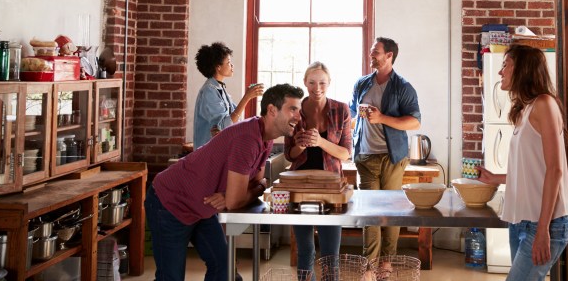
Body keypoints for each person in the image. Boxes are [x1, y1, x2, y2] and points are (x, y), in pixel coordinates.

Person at [145, 83, 304, 281]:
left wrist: (258, 186)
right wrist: (248, 190)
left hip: (203, 206)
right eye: (293, 109)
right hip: (170, 202)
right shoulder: (247, 138)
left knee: (225, 270)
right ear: (272, 110)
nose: (298, 116)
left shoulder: (265, 137)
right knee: (171, 277)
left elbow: (254, 183)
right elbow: (235, 201)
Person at [477, 44, 568, 280]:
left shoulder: (544, 104)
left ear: (523, 70)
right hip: (521, 222)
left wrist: (543, 230)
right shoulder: (524, 111)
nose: (500, 72)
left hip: (545, 223)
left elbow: (555, 170)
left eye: (505, 65)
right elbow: (532, 172)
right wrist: (495, 178)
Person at [350, 37, 421, 265]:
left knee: (392, 213)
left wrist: (381, 118)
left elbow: (414, 122)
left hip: (393, 159)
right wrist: (357, 116)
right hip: (365, 157)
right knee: (370, 213)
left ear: (389, 55)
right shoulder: (361, 84)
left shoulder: (403, 87)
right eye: (372, 51)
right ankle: (369, 266)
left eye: (376, 52)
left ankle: (387, 263)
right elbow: (350, 117)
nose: (371, 55)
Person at [284, 62, 352, 279]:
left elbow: (346, 153)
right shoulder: (294, 112)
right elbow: (289, 155)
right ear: (305, 82)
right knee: (305, 251)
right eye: (312, 82)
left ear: (329, 83)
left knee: (331, 253)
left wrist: (320, 142)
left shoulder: (341, 110)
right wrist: (301, 145)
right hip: (299, 188)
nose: (317, 87)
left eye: (322, 82)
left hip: (331, 189)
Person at [193, 42, 264, 148]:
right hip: (208, 154)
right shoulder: (209, 92)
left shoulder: (219, 88)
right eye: (229, 62)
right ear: (218, 67)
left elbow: (236, 119)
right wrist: (247, 97)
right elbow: (224, 126)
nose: (232, 65)